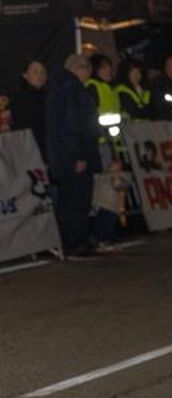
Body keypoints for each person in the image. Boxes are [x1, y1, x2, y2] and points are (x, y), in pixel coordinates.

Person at [46, 54, 102, 258]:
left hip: (64, 156)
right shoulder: (73, 90)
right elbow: (73, 126)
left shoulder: (60, 89)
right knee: (77, 200)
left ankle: (73, 242)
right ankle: (76, 243)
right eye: (86, 68)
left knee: (70, 200)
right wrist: (78, 155)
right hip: (75, 156)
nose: (88, 72)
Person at [10, 60, 49, 143]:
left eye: (43, 72)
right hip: (26, 144)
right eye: (35, 72)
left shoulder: (49, 95)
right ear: (25, 75)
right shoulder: (20, 97)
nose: (40, 75)